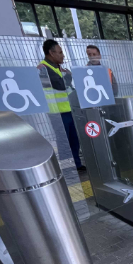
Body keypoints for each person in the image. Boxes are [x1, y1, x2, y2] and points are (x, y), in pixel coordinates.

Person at [37, 39, 86, 172]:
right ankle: (67, 167)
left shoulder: (59, 69)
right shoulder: (43, 69)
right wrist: (68, 76)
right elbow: (60, 85)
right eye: (60, 52)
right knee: (64, 141)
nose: (63, 55)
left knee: (74, 139)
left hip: (69, 110)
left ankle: (76, 164)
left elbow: (68, 87)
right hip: (57, 113)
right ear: (51, 53)